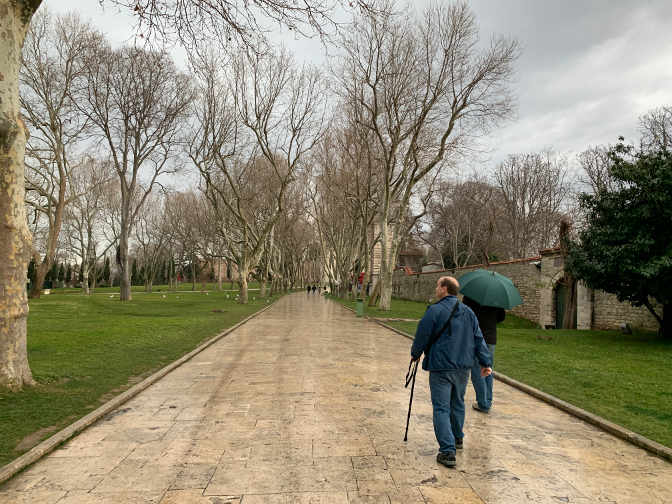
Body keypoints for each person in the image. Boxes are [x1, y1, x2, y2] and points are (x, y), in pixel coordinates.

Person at [410, 276, 492, 469]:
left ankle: (447, 451)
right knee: (458, 403)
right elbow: (478, 338)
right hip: (463, 367)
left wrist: (416, 354)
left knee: (441, 407)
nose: (435, 288)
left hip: (441, 366)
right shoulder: (469, 312)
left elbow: (422, 334)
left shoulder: (435, 310)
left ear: (445, 289)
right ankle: (457, 437)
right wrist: (485, 362)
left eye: (437, 285)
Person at [463, 295, 505, 414]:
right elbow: (501, 317)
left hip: (476, 338)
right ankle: (487, 400)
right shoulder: (497, 297)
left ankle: (483, 403)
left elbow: (464, 313)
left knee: (478, 371)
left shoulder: (471, 296)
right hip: (491, 338)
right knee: (487, 369)